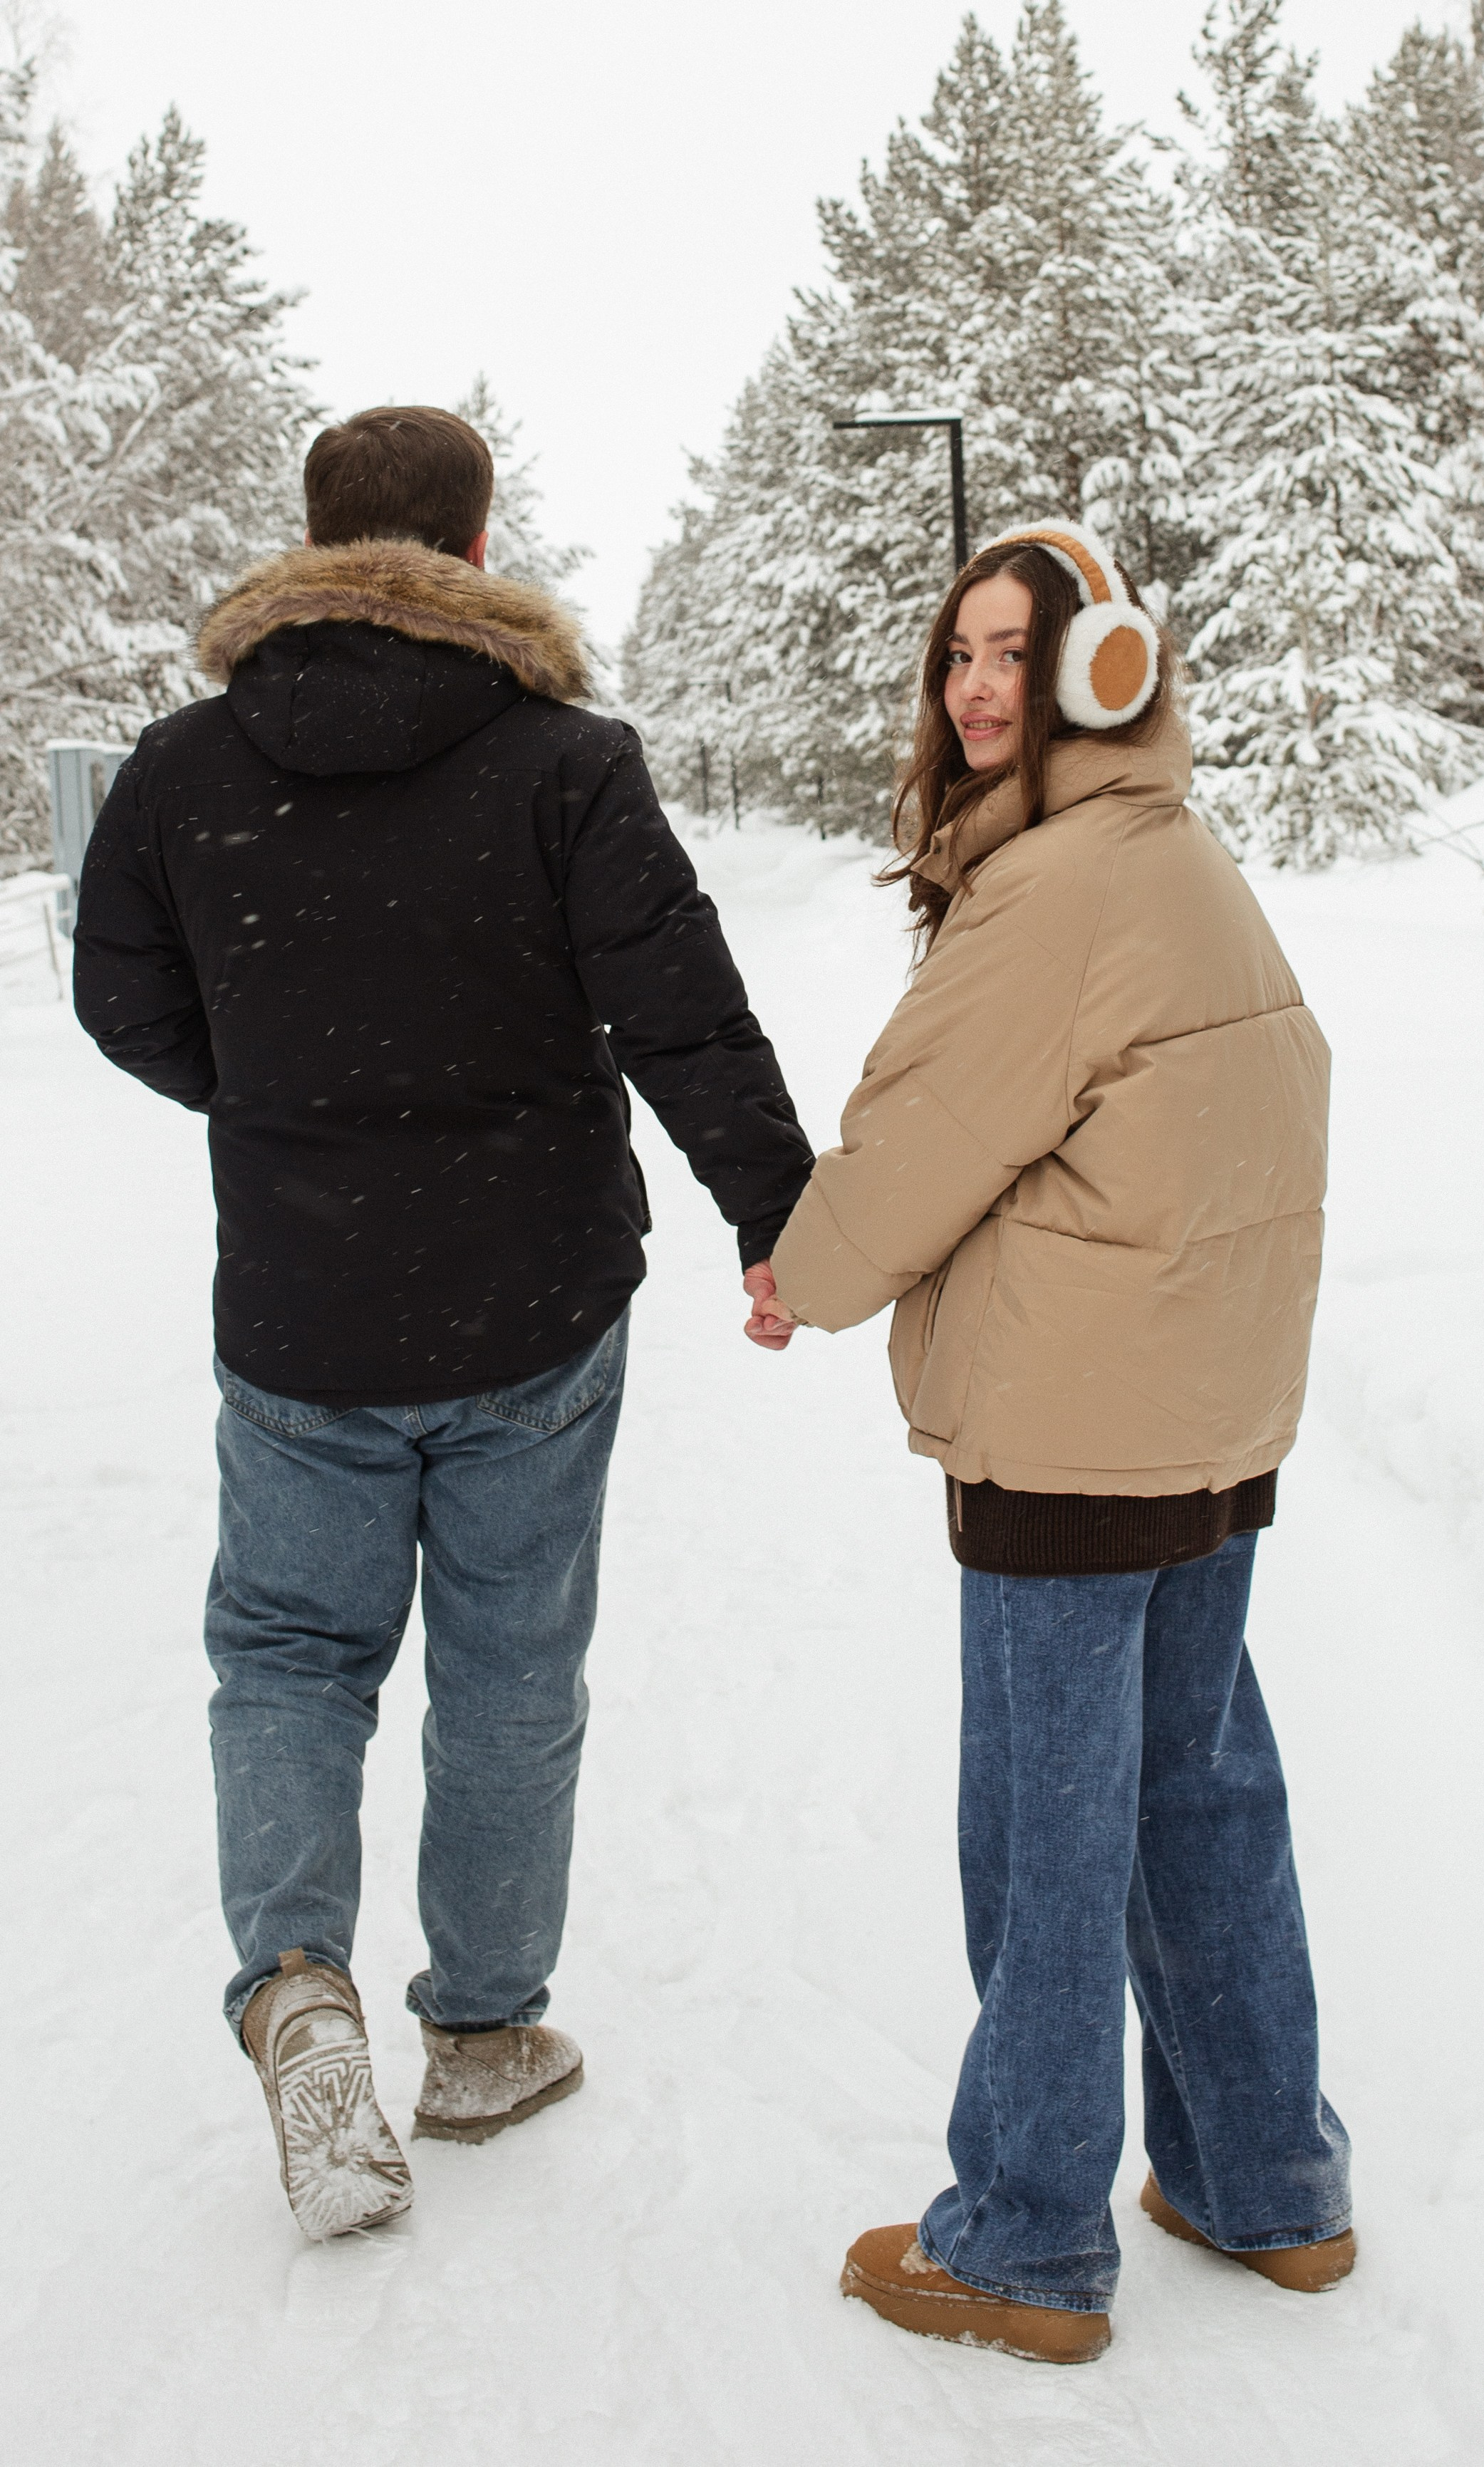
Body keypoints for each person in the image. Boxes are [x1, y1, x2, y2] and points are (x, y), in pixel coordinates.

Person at [73, 403, 814, 2240]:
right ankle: (481, 2033)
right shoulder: (567, 761)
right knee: (506, 1668)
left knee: (294, 1656)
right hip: (533, 1314)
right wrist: (782, 1219)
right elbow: (683, 1014)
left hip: (305, 1315)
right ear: (476, 552)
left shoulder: (181, 770)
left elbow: (118, 997)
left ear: (318, 541)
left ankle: (296, 1989)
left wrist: (280, 1095)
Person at [743, 519, 1353, 2364]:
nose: (979, 685)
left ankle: (1020, 2236)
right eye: (959, 656)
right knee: (1197, 1797)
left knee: (1044, 1833)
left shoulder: (1054, 885)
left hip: (1076, 1441)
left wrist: (804, 1274)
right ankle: (1266, 2187)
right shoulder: (1171, 846)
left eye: (1017, 651)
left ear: (1105, 669)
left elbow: (927, 1129)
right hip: (1203, 1415)